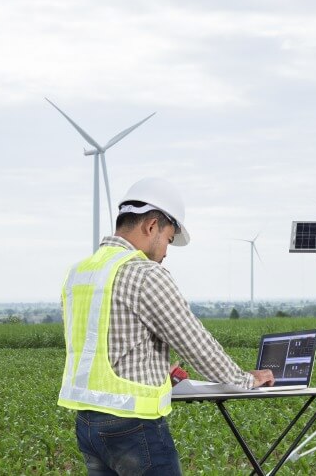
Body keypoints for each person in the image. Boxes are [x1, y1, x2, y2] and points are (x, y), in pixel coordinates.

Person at [58, 177, 274, 475]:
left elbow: (100, 343)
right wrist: (246, 379)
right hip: (132, 426)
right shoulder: (144, 273)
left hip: (88, 425)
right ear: (151, 226)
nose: (166, 252)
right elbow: (196, 343)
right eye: (169, 239)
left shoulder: (79, 273)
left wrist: (158, 368)